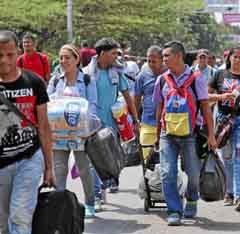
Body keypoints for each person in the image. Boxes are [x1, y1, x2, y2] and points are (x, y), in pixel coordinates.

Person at [153, 41, 217, 226]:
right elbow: (159, 108)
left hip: (191, 134)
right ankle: (174, 210)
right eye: (163, 56)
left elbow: (205, 108)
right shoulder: (162, 80)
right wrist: (157, 135)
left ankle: (191, 198)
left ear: (179, 56)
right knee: (167, 172)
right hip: (168, 133)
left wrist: (211, 135)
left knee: (194, 173)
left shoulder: (197, 79)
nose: (163, 59)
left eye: (167, 56)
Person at [0, 30, 55, 234]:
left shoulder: (34, 82)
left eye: (10, 54)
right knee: (3, 223)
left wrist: (49, 167)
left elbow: (44, 127)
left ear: (18, 53)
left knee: (20, 215)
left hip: (29, 158)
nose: (5, 60)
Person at [83, 37, 139, 209]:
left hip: (113, 125)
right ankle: (97, 196)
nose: (117, 56)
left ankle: (107, 183)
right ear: (102, 53)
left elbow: (127, 96)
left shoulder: (117, 72)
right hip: (91, 125)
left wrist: (135, 119)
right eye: (113, 53)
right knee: (94, 160)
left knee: (110, 158)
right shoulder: (86, 74)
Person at [47, 44, 97, 218]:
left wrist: (87, 125)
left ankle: (90, 202)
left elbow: (93, 106)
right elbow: (47, 103)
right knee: (59, 169)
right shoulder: (55, 80)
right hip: (58, 134)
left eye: (67, 57)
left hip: (81, 134)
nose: (63, 61)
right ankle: (60, 205)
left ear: (77, 59)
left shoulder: (88, 80)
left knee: (84, 169)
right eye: (61, 57)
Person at [208, 45, 240, 211]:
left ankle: (239, 196)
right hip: (224, 121)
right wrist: (222, 96)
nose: (237, 60)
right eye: (234, 56)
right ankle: (228, 193)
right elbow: (206, 97)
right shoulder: (219, 75)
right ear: (229, 57)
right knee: (227, 158)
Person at [134, 45, 165, 159]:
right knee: (146, 160)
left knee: (165, 161)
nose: (151, 64)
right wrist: (134, 119)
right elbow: (136, 99)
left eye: (154, 61)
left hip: (166, 126)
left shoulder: (169, 75)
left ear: (162, 60)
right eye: (149, 61)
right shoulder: (142, 77)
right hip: (147, 124)